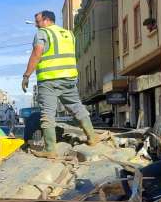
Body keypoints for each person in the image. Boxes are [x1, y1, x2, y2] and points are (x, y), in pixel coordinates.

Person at [22, 10, 102, 158]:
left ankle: (50, 149)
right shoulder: (68, 34)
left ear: (46, 20)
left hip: (49, 80)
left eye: (38, 22)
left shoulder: (43, 33)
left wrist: (26, 75)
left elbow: (37, 53)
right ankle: (92, 136)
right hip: (69, 78)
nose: (36, 25)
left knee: (48, 114)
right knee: (77, 107)